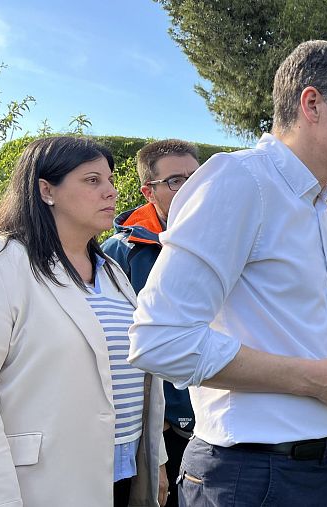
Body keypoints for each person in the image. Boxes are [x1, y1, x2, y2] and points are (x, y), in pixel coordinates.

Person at [128, 40, 327, 506]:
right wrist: (315, 378)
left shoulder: (314, 205)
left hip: (306, 472)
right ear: (312, 103)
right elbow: (160, 339)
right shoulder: (240, 182)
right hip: (252, 478)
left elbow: (266, 328)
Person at [0, 136, 168, 507]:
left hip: (125, 473)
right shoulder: (5, 263)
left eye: (109, 180)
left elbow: (134, 375)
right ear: (46, 190)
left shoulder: (113, 273)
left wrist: (158, 460)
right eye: (92, 181)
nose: (111, 191)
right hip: (44, 483)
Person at [102, 139, 201, 507]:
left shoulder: (221, 240)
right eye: (177, 181)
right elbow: (118, 343)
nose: (190, 188)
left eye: (196, 177)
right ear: (149, 191)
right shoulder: (119, 252)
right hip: (162, 424)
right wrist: (154, 428)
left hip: (217, 412)